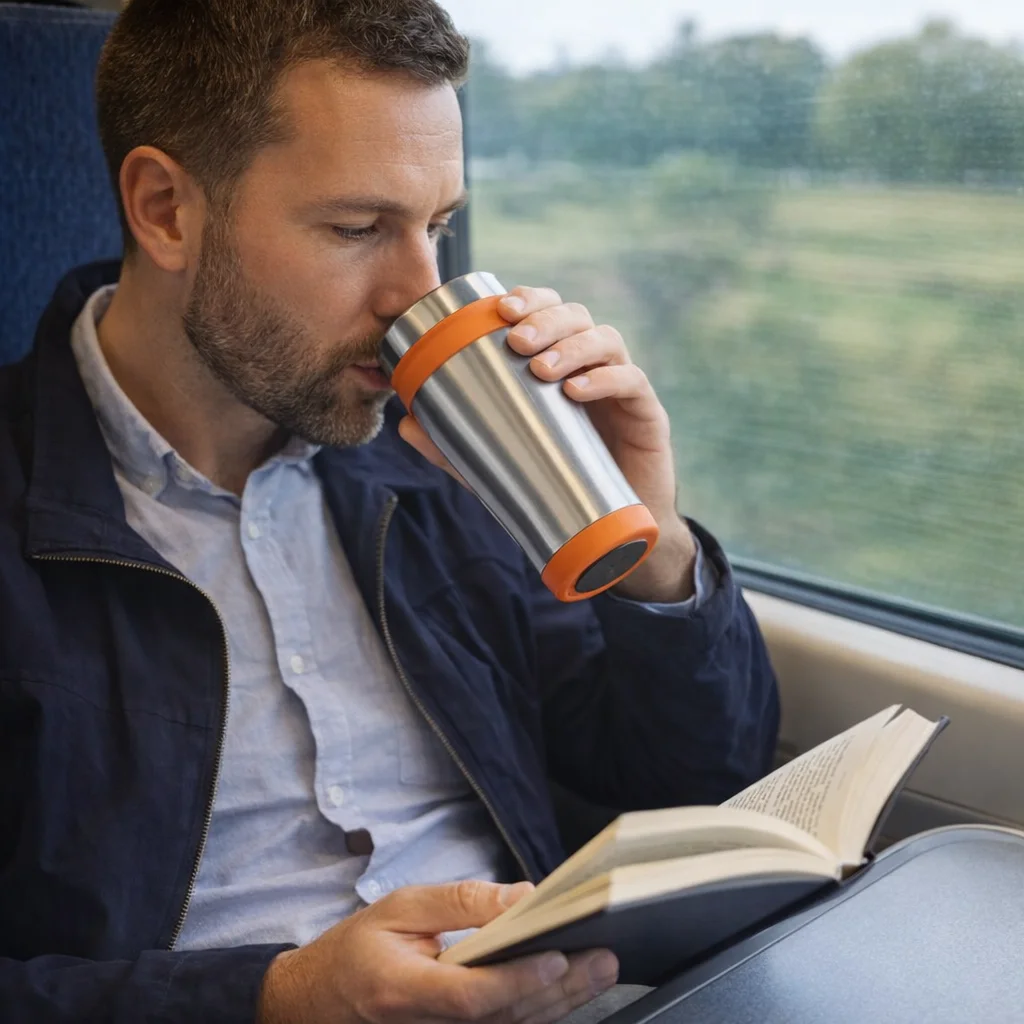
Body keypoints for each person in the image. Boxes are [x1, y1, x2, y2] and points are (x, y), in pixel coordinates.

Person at [0, 1, 779, 1021]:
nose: (421, 293)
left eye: (439, 226)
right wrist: (276, 997)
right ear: (165, 210)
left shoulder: (444, 463)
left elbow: (687, 786)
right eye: (358, 228)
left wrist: (650, 546)